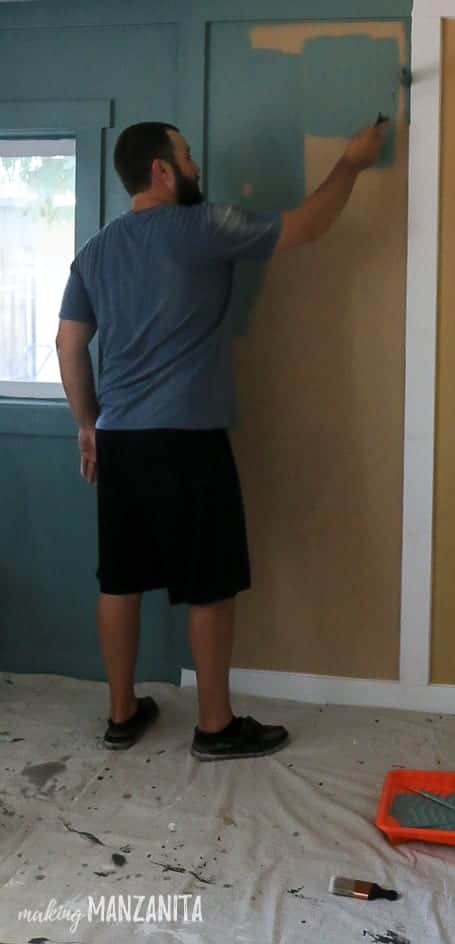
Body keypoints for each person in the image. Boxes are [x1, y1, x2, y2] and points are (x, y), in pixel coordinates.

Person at [56, 118, 388, 761]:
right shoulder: (202, 228)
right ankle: (214, 727)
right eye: (186, 156)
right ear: (160, 170)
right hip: (187, 439)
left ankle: (122, 715)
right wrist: (351, 163)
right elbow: (307, 226)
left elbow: (70, 344)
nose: (195, 167)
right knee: (208, 584)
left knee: (119, 579)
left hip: (122, 441)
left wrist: (87, 423)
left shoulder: (95, 250)